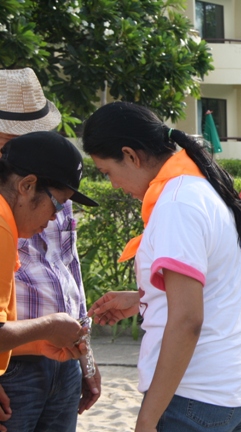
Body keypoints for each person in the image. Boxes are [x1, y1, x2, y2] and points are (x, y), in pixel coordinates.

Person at [83, 101, 241, 432]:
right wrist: (144, 299)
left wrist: (148, 417)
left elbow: (188, 320)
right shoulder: (204, 188)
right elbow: (214, 285)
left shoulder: (176, 203)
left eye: (107, 172)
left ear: (130, 156)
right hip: (232, 389)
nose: (113, 185)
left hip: (193, 394)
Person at [0, 67, 102, 432]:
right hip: (13, 365)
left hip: (59, 356)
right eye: (13, 139)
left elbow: (68, 269)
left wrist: (86, 358)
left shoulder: (51, 186)